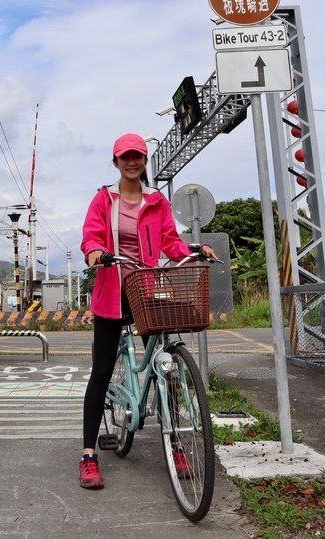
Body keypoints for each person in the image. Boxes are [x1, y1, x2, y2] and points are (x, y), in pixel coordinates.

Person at [77, 132, 217, 490]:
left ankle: (175, 441)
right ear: (116, 162)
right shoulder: (103, 199)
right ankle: (89, 455)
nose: (132, 162)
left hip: (147, 288)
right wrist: (94, 251)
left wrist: (192, 248)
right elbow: (91, 235)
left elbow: (169, 241)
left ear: (144, 160)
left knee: (166, 363)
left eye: (137, 156)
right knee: (102, 371)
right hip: (112, 290)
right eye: (125, 157)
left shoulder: (156, 201)